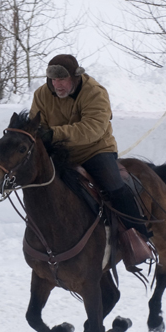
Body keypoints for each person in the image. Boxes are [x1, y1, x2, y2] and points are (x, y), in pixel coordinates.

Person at [29, 54, 150, 243]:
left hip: (94, 149)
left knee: (114, 185)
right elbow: (36, 125)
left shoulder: (95, 92)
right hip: (60, 152)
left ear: (75, 77)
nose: (56, 84)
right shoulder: (41, 95)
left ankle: (138, 236)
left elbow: (93, 129)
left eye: (62, 79)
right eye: (53, 79)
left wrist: (53, 134)